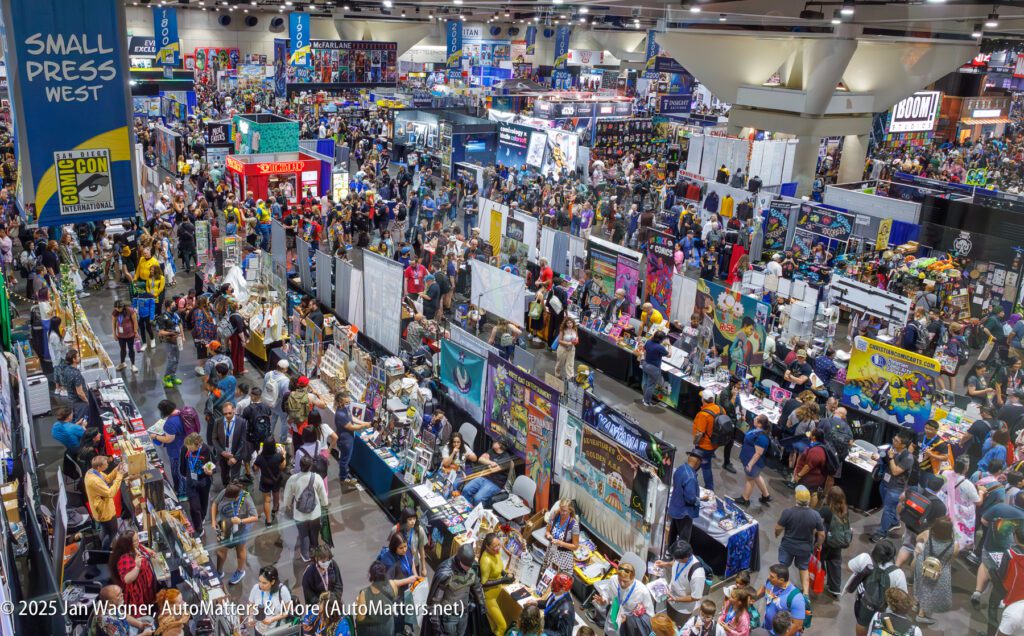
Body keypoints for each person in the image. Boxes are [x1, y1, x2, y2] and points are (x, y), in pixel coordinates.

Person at [422, 544, 484, 636]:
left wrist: (482, 603)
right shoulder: (446, 574)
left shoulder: (471, 569)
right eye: (466, 565)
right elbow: (435, 601)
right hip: (449, 615)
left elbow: (477, 587)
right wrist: (436, 625)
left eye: (469, 565)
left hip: (464, 611)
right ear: (459, 560)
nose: (468, 568)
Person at [847, 540, 907, 636]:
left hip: (865, 602)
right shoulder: (898, 573)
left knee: (861, 623)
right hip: (885, 610)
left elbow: (849, 567)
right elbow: (903, 596)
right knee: (881, 630)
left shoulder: (865, 559)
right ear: (892, 555)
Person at [775, 486, 824, 594]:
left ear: (796, 499)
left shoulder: (788, 512)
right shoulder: (815, 515)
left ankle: (779, 588)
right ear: (809, 500)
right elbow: (821, 535)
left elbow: (778, 528)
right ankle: (806, 593)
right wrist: (818, 544)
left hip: (788, 546)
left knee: (783, 566)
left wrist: (776, 534)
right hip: (805, 548)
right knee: (803, 568)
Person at [210, 481, 258, 585]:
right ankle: (219, 571)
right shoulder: (225, 492)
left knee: (240, 550)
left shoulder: (246, 498)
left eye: (229, 499)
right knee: (221, 550)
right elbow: (215, 504)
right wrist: (213, 520)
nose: (226, 499)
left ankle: (240, 571)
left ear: (236, 497)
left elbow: (255, 517)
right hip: (224, 526)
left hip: (240, 529)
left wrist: (241, 521)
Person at [871, 428, 915, 542]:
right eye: (894, 439)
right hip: (885, 482)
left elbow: (895, 471)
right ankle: (894, 521)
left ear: (903, 445)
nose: (893, 441)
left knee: (887, 509)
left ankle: (882, 533)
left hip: (895, 488)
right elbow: (884, 460)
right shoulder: (892, 449)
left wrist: (890, 458)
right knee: (888, 508)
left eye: (896, 441)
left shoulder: (908, 458)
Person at [284, 454, 329, 562]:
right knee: (314, 532)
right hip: (315, 513)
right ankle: (315, 550)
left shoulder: (293, 479)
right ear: (310, 466)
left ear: (300, 465)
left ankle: (305, 555)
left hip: (299, 514)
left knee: (303, 534)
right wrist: (324, 505)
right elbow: (323, 497)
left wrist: (288, 505)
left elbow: (287, 497)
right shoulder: (317, 478)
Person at [912, 516, 956, 625]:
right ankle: (921, 615)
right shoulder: (954, 544)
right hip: (938, 570)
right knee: (929, 588)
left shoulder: (928, 534)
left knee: (920, 583)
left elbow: (918, 538)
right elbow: (950, 559)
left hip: (923, 564)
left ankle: (916, 603)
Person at [593, 560, 654, 636]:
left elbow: (649, 616)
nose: (622, 583)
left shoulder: (642, 591)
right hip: (612, 623)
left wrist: (630, 619)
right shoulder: (613, 580)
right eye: (620, 580)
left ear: (633, 578)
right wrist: (603, 601)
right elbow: (606, 596)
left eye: (625, 581)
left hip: (628, 628)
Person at [654, 539, 706, 627]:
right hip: (671, 598)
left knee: (675, 627)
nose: (674, 560)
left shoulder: (697, 574)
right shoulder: (681, 558)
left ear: (685, 558)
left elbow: (696, 597)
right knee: (669, 621)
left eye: (676, 558)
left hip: (682, 609)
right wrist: (664, 564)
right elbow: (675, 563)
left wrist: (676, 599)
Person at [108, 531, 158, 616]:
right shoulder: (124, 558)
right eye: (135, 540)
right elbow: (127, 579)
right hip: (137, 589)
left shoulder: (136, 546)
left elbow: (143, 549)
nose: (138, 541)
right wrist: (137, 567)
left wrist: (150, 552)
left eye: (137, 538)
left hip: (146, 584)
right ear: (128, 544)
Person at [85, 455, 127, 548]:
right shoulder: (94, 481)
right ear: (99, 467)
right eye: (105, 464)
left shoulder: (93, 472)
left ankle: (102, 545)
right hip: (105, 512)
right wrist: (119, 476)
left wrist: (116, 469)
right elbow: (110, 493)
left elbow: (107, 479)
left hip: (102, 510)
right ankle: (106, 550)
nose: (108, 465)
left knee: (105, 531)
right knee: (112, 532)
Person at [178, 433, 215, 539]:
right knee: (194, 507)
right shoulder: (185, 448)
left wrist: (210, 472)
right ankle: (199, 529)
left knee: (203, 504)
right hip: (191, 482)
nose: (188, 450)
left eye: (191, 448)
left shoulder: (206, 449)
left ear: (198, 445)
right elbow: (182, 464)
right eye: (187, 448)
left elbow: (213, 465)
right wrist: (186, 476)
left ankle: (201, 518)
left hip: (204, 482)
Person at [460, 436, 514, 505]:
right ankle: (468, 508)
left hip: (495, 483)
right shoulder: (492, 450)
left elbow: (493, 470)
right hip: (484, 477)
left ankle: (477, 512)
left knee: (478, 498)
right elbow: (480, 459)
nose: (493, 442)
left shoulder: (506, 458)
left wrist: (487, 461)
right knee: (466, 489)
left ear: (500, 445)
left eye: (495, 441)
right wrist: (491, 463)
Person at [818, 486, 851, 597]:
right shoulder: (845, 510)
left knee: (819, 559)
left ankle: (818, 580)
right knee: (835, 562)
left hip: (826, 542)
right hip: (838, 543)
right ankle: (835, 588)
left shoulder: (827, 510)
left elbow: (818, 523)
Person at [480, 532, 514, 635]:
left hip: (497, 593)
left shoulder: (497, 552)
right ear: (487, 547)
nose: (498, 548)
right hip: (489, 598)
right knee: (502, 626)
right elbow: (484, 583)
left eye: (499, 544)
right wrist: (503, 580)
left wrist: (505, 574)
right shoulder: (486, 560)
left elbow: (499, 568)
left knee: (494, 626)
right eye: (495, 546)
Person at [333, 392, 370, 487]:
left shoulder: (345, 408)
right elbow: (351, 427)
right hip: (345, 441)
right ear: (340, 402)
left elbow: (352, 418)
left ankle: (345, 472)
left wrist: (363, 422)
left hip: (349, 438)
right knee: (345, 459)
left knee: (346, 458)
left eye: (349, 401)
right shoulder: (340, 414)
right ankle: (343, 477)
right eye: (346, 402)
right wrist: (364, 425)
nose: (348, 403)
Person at [758, 564, 806, 636]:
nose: (768, 577)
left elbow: (797, 625)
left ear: (781, 580)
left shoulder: (796, 598)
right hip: (767, 628)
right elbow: (764, 589)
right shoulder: (770, 582)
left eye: (772, 577)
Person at [89, 585, 155, 636]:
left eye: (121, 592)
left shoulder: (110, 605)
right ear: (110, 601)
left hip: (125, 629)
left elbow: (123, 615)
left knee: (149, 619)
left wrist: (140, 625)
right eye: (118, 595)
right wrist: (144, 634)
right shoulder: (108, 622)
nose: (122, 595)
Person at [355, 561, 398, 636]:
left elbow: (360, 618)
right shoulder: (392, 584)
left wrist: (357, 605)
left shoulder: (364, 594)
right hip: (388, 629)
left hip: (373, 631)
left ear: (370, 575)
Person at [150, 400, 185, 492]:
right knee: (183, 470)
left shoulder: (170, 423)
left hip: (176, 451)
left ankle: (180, 492)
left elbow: (168, 439)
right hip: (184, 446)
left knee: (177, 472)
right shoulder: (180, 413)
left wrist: (155, 436)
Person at [737, 414, 772, 507]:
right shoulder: (757, 431)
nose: (754, 419)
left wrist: (750, 464)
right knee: (756, 476)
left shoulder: (762, 437)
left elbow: (758, 454)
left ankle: (745, 499)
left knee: (750, 479)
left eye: (756, 419)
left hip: (754, 462)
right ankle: (766, 495)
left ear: (760, 424)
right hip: (751, 460)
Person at [667, 452, 702, 546]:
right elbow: (690, 499)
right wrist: (700, 499)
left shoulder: (680, 468)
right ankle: (680, 557)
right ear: (698, 463)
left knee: (673, 531)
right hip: (684, 512)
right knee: (684, 538)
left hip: (675, 506)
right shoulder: (691, 478)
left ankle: (670, 551)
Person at [248, 565, 293, 634]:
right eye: (260, 581)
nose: (261, 585)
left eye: (264, 583)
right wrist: (250, 617)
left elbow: (288, 611)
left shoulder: (282, 591)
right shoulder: (256, 588)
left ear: (272, 582)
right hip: (259, 629)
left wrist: (272, 619)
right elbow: (251, 604)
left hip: (275, 631)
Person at [212, 402, 248, 488]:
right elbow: (214, 439)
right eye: (225, 414)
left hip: (235, 454)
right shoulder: (218, 422)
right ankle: (226, 490)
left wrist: (235, 457)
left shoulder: (242, 422)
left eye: (229, 413)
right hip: (223, 455)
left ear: (234, 410)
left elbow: (242, 441)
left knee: (235, 478)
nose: (227, 415)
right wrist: (222, 452)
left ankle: (234, 493)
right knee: (224, 475)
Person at [693, 389, 722, 489]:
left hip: (704, 445)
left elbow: (699, 433)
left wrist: (695, 443)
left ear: (703, 400)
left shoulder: (703, 415)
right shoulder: (720, 409)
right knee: (701, 462)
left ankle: (709, 488)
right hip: (715, 443)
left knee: (703, 465)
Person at [542, 498, 580, 573]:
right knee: (547, 576)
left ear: (570, 510)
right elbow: (547, 531)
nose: (562, 512)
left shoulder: (574, 525)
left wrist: (560, 543)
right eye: (561, 509)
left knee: (559, 580)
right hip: (551, 551)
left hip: (564, 557)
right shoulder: (554, 515)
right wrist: (549, 535)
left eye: (565, 511)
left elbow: (575, 546)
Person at [253, 441, 286, 525]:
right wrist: (284, 455)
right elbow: (283, 467)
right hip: (276, 480)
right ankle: (274, 509)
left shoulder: (260, 457)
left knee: (267, 501)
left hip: (265, 480)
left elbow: (255, 468)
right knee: (276, 494)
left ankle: (268, 521)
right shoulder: (278, 456)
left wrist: (258, 455)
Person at [792, 429, 828, 507]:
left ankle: (805, 509)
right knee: (813, 492)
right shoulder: (816, 444)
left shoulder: (817, 450)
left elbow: (808, 466)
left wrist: (799, 475)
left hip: (810, 478)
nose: (809, 433)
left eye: (811, 433)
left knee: (811, 493)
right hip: (812, 477)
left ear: (814, 437)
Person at [263, 358, 292, 441]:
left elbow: (264, 387)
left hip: (269, 401)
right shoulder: (285, 381)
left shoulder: (268, 374)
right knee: (284, 422)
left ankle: (269, 438)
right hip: (280, 405)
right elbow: (286, 396)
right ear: (285, 369)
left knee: (271, 420)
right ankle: (282, 441)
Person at [538, 572, 575, 636]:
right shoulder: (556, 592)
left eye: (555, 584)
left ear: (562, 589)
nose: (551, 585)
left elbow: (564, 634)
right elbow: (548, 604)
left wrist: (543, 631)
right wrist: (536, 603)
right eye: (553, 582)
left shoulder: (567, 611)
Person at [641, 332, 670, 407]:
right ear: (662, 339)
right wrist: (669, 345)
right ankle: (646, 401)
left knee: (646, 383)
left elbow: (645, 350)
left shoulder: (648, 342)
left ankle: (644, 398)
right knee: (651, 385)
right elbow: (669, 355)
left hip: (645, 364)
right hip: (654, 368)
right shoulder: (660, 347)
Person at [110, 301, 140, 374]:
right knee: (122, 349)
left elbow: (135, 322)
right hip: (121, 335)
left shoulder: (130, 310)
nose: (117, 309)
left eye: (118, 308)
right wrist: (114, 334)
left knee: (131, 349)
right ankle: (122, 363)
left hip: (130, 334)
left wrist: (136, 332)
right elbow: (113, 323)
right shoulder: (115, 312)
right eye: (116, 308)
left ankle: (133, 365)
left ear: (122, 307)